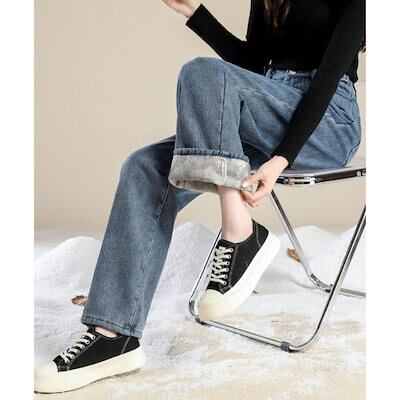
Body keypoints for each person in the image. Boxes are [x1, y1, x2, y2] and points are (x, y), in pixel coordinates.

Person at [34, 0, 365, 393]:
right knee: (143, 167)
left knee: (202, 72)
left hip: (327, 122)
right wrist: (195, 13)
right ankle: (113, 336)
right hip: (265, 106)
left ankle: (238, 232)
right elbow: (253, 64)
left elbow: (327, 78)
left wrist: (281, 159)